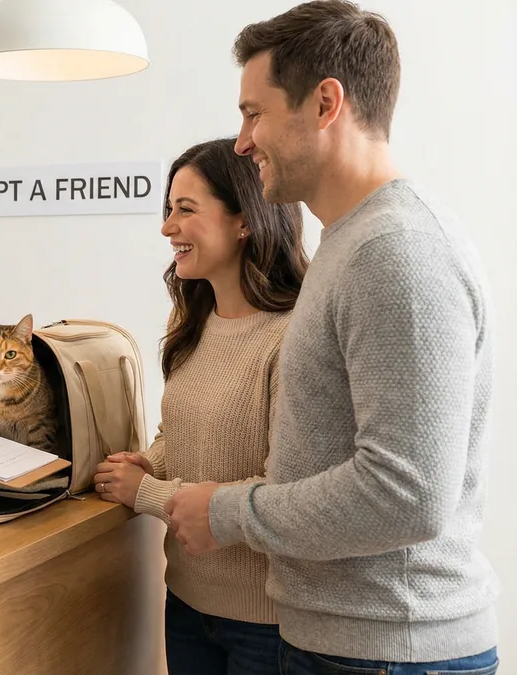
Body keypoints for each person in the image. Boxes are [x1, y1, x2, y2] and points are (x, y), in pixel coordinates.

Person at [164, 2, 500, 672]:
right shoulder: (354, 242)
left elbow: (405, 493)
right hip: (347, 645)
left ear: (324, 103)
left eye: (254, 112)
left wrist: (228, 511)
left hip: (386, 653)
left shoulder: (397, 252)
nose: (241, 140)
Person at [92, 137, 307, 674]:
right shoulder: (191, 324)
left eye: (185, 210)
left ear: (246, 220)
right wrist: (151, 461)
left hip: (267, 626)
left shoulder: (292, 339)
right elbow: (179, 432)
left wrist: (146, 492)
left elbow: (283, 491)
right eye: (169, 210)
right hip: (186, 605)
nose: (168, 228)